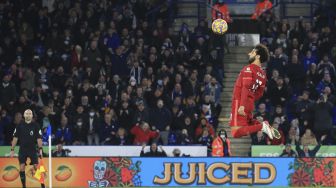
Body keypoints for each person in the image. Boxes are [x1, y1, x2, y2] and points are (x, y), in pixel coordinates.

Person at [229, 44, 280, 140]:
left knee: (236, 133)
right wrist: (250, 100)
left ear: (258, 56)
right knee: (245, 124)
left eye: (252, 52)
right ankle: (259, 124)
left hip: (240, 102)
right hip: (249, 102)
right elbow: (260, 93)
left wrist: (242, 105)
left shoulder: (248, 69)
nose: (249, 54)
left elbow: (245, 87)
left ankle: (262, 126)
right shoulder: (263, 75)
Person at [10, 109, 45, 188]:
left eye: (30, 113)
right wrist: (12, 150)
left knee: (36, 167)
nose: (28, 115)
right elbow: (15, 138)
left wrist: (40, 149)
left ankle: (43, 185)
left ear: (32, 116)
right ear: (24, 115)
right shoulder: (19, 125)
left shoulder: (36, 125)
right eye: (27, 113)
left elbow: (39, 139)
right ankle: (24, 186)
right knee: (22, 167)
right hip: (22, 149)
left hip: (32, 149)